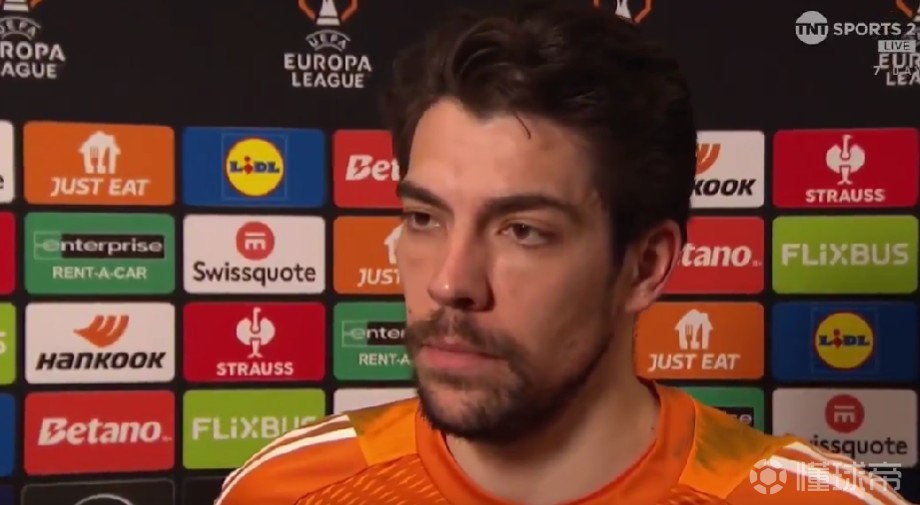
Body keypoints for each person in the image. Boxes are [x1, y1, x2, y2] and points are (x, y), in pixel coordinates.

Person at [214, 1, 914, 504]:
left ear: (645, 266)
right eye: (425, 218)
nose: (451, 283)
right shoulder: (287, 489)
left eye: (523, 230)